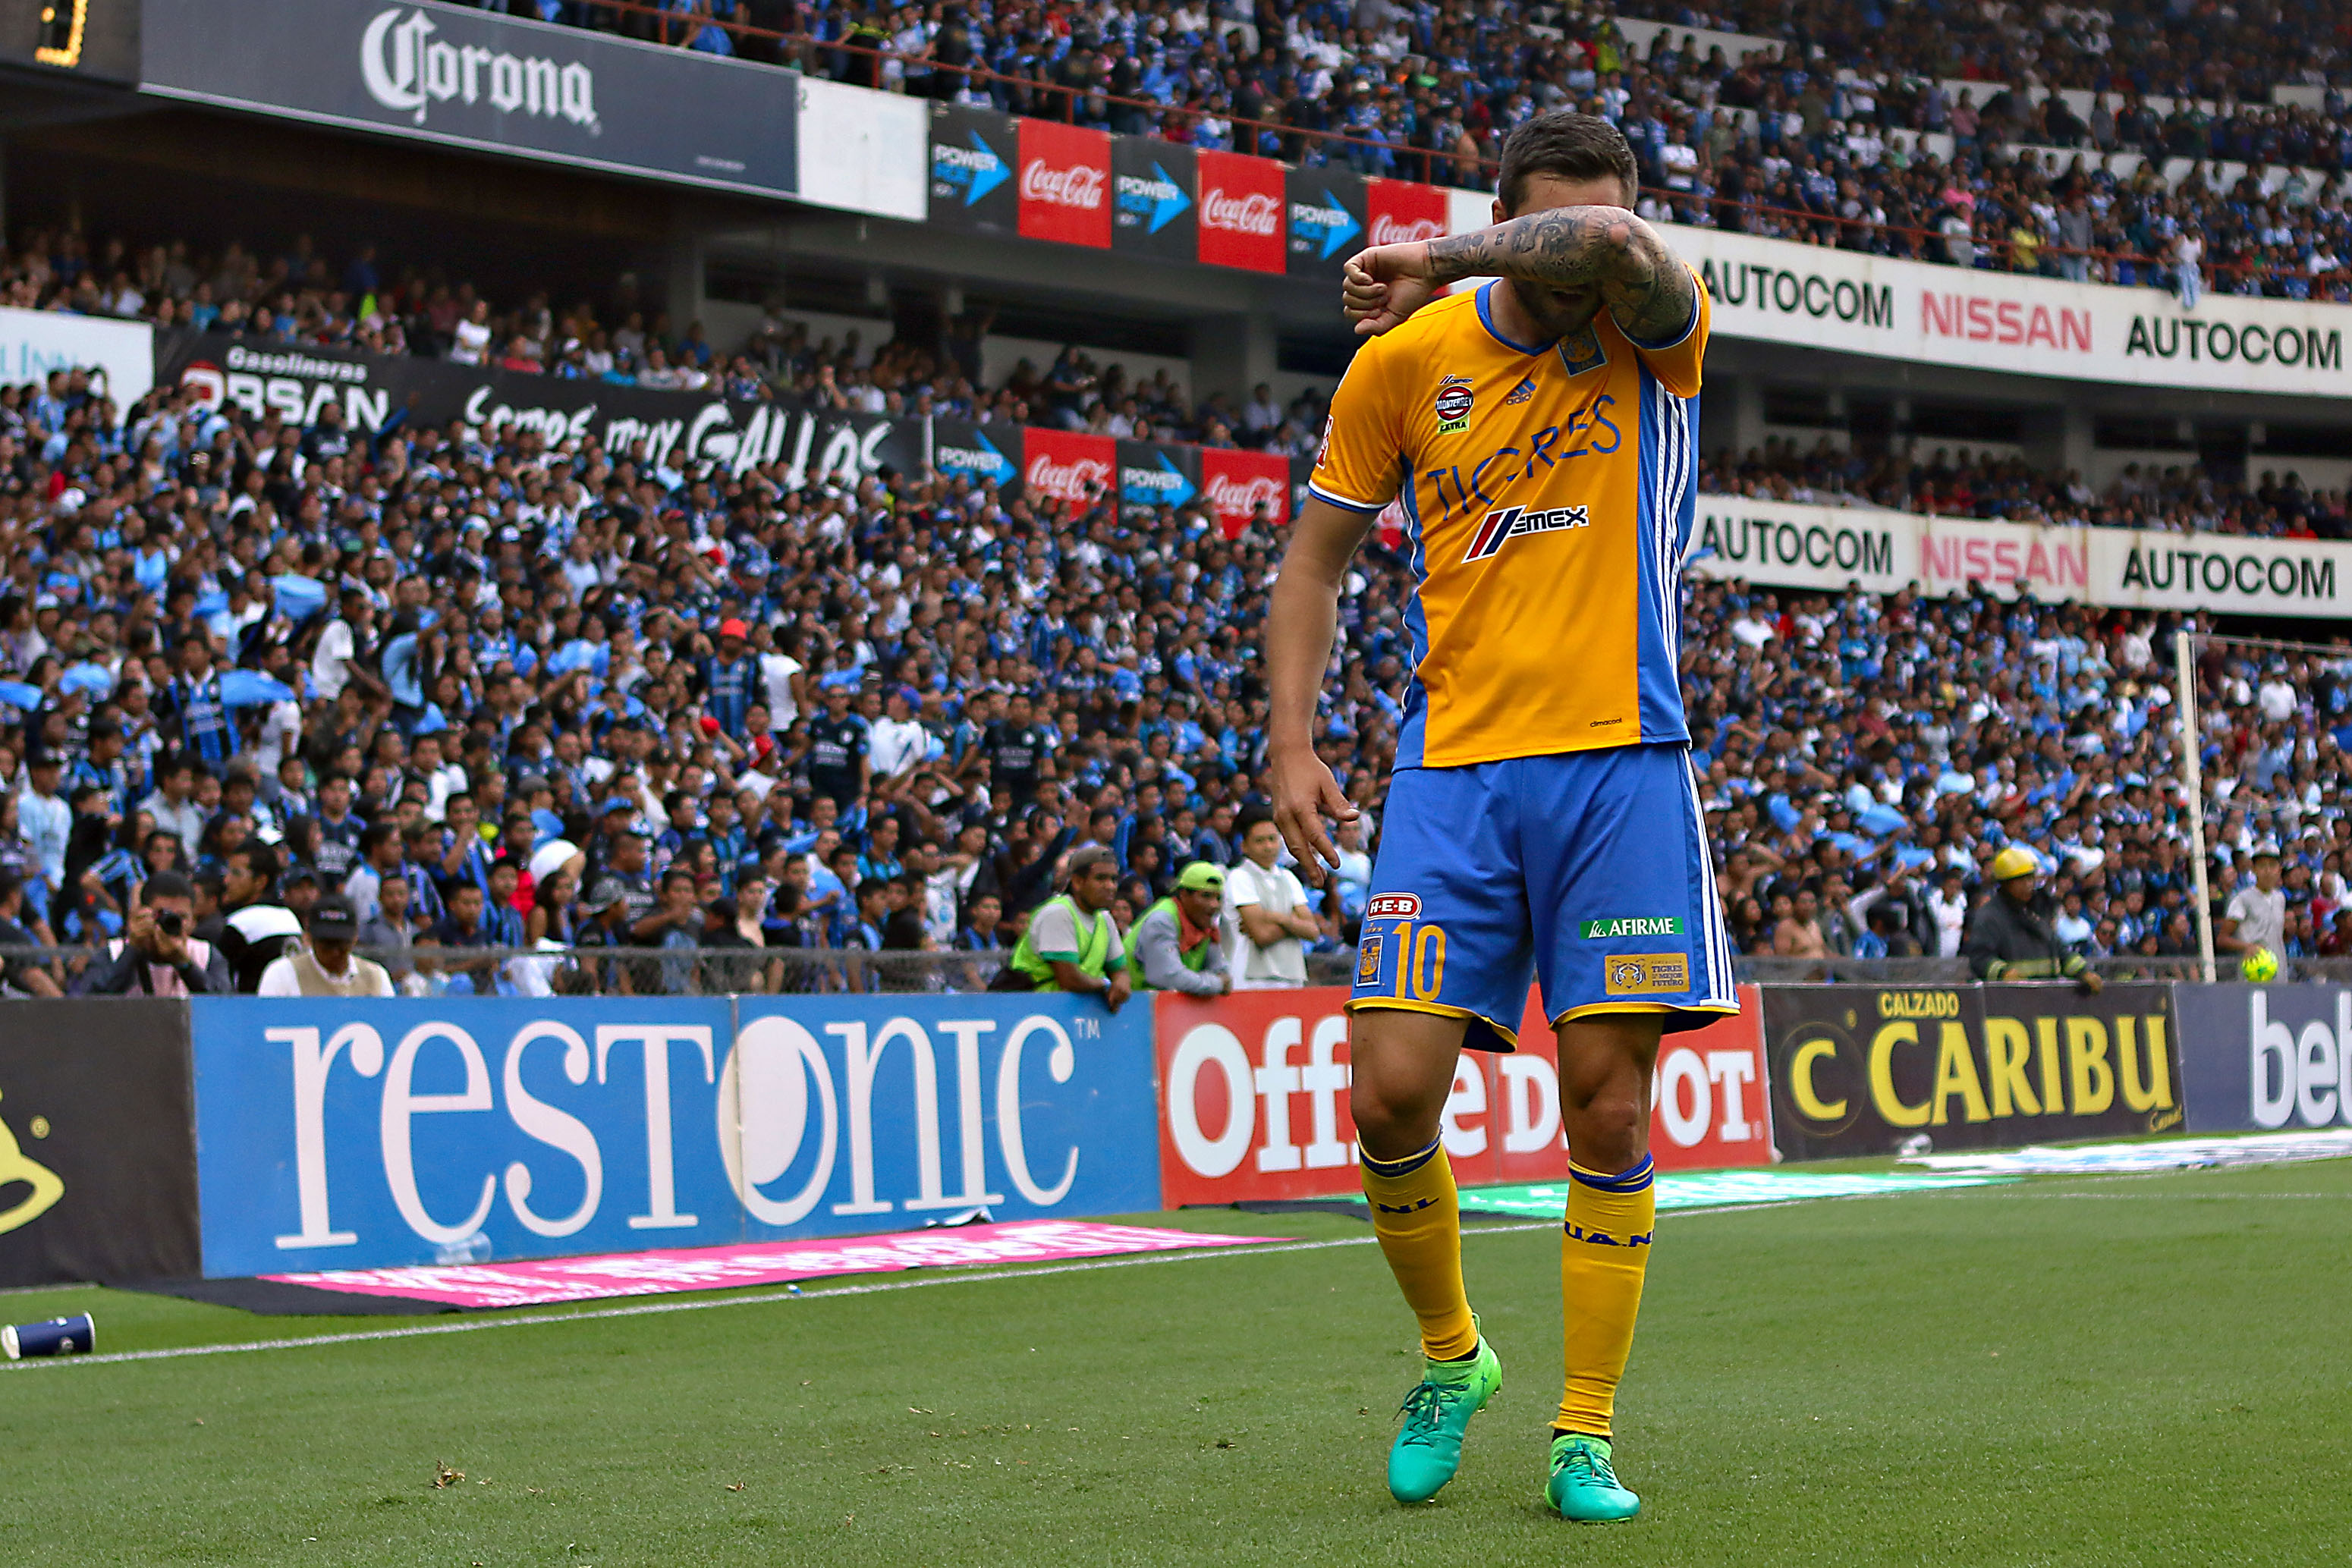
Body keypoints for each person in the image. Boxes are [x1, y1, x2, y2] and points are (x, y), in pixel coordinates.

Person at [1270, 112, 1737, 1522]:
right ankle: (1451, 1356)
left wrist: (1428, 250)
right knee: (1389, 1090)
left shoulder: (1661, 325)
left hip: (1623, 761)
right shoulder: (1406, 359)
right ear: (1500, 221)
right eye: (1549, 238)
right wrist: (1288, 743)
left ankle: (1583, 1429)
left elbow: (1602, 247)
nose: (1586, 268)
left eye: (1602, 232)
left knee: (1605, 1103)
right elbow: (1315, 559)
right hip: (1455, 771)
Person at [1004, 844, 1130, 1007]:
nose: (1110, 886)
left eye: (1114, 879)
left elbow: (1120, 970)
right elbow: (1070, 980)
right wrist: (1107, 985)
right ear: (1077, 882)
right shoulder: (1058, 913)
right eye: (1101, 878)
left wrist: (1121, 982)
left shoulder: (1105, 919)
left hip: (1072, 1014)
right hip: (1036, 1010)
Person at [1963, 845, 2102, 991]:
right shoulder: (1990, 916)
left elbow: (2059, 950)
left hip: (2046, 997)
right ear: (2006, 883)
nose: (2029, 885)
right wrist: (2004, 974)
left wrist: (2084, 972)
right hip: (2010, 1001)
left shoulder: (2037, 910)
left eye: (2031, 879)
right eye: (2022, 880)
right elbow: (1980, 958)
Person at [77, 870, 233, 995]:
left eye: (181, 917)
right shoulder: (114, 953)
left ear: (194, 921)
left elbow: (223, 1007)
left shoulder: (206, 955)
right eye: (162, 914)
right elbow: (87, 1003)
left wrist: (184, 965)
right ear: (143, 914)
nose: (170, 923)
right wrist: (132, 949)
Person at [1224, 809, 1318, 988]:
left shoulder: (1289, 878)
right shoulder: (1239, 877)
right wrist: (1295, 924)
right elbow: (1262, 935)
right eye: (1259, 841)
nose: (1268, 846)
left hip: (1292, 976)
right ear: (1244, 846)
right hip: (1251, 979)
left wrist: (1277, 918)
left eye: (1272, 839)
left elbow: (1313, 931)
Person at [257, 893, 393, 997]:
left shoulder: (376, 978)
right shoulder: (283, 974)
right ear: (308, 937)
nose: (334, 952)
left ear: (355, 938)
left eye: (341, 945)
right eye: (326, 944)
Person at [1131, 860, 1232, 995]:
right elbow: (1170, 977)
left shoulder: (1205, 924)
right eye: (1206, 896)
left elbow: (1222, 972)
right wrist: (1217, 984)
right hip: (1132, 1006)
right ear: (1184, 895)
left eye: (1218, 898)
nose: (1214, 905)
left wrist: (1219, 981)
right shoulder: (1161, 921)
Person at [2219, 845, 2287, 959]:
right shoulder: (2242, 899)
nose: (2267, 871)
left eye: (2272, 866)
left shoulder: (2280, 898)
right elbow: (2222, 939)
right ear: (2254, 869)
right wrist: (2247, 947)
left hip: (2278, 970)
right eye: (2262, 866)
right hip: (2253, 970)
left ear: (2279, 870)